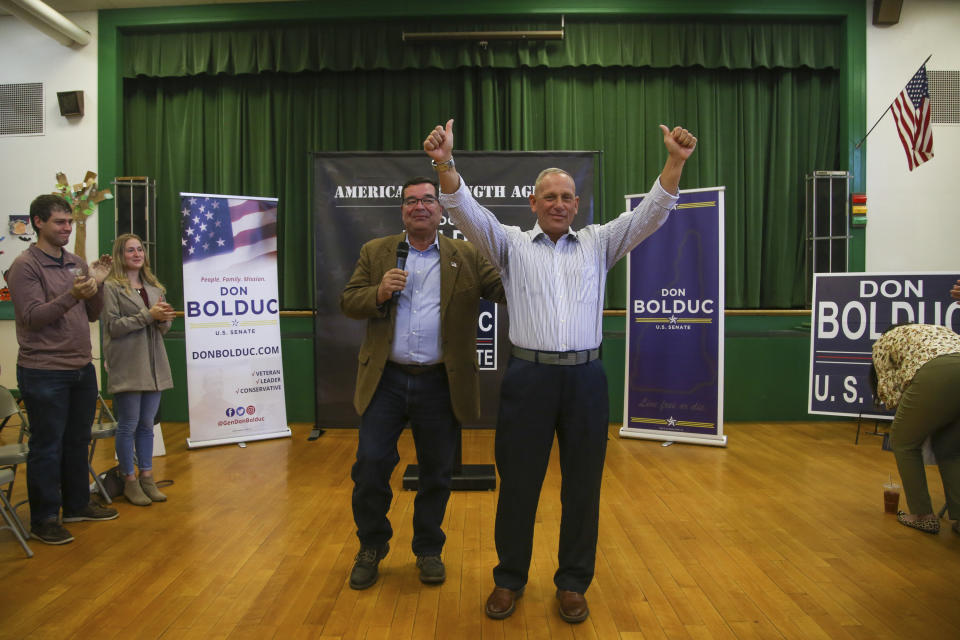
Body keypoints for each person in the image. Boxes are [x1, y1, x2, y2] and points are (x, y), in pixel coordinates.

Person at [423, 119, 697, 622]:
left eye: (566, 196)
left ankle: (572, 583)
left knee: (582, 487)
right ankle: (509, 580)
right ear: (533, 204)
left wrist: (675, 162)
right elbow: (463, 208)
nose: (557, 203)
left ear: (576, 204)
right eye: (548, 195)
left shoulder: (599, 243)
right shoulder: (508, 245)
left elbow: (652, 214)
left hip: (586, 381)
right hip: (528, 379)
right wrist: (444, 163)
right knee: (519, 487)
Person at [340, 176, 504, 589]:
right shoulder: (377, 253)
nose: (420, 207)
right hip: (386, 380)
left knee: (436, 473)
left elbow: (506, 289)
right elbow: (348, 301)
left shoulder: (466, 254)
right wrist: (378, 292)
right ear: (402, 210)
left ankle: (429, 549)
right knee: (371, 465)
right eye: (411, 201)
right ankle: (372, 545)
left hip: (439, 382)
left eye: (428, 200)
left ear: (441, 209)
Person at [7, 194, 118, 545]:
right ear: (38, 222)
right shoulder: (25, 266)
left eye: (69, 222)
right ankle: (43, 519)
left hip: (80, 366)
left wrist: (97, 283)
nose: (67, 228)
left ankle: (76, 505)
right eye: (59, 222)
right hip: (43, 370)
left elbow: (92, 313)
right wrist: (73, 294)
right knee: (47, 446)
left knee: (77, 441)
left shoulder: (74, 262)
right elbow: (32, 318)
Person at [101, 233, 175, 506]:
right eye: (130, 250)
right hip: (129, 364)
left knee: (148, 425)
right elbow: (113, 327)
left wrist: (165, 319)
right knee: (129, 425)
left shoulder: (154, 287)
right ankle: (129, 479)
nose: (137, 254)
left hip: (154, 364)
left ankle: (147, 477)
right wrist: (149, 316)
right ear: (120, 256)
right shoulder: (110, 287)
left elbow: (162, 328)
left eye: (140, 249)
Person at [870, 323, 960, 536]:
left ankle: (922, 515)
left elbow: (889, 393)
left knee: (902, 440)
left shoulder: (885, 341)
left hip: (937, 372)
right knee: (950, 449)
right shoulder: (938, 329)